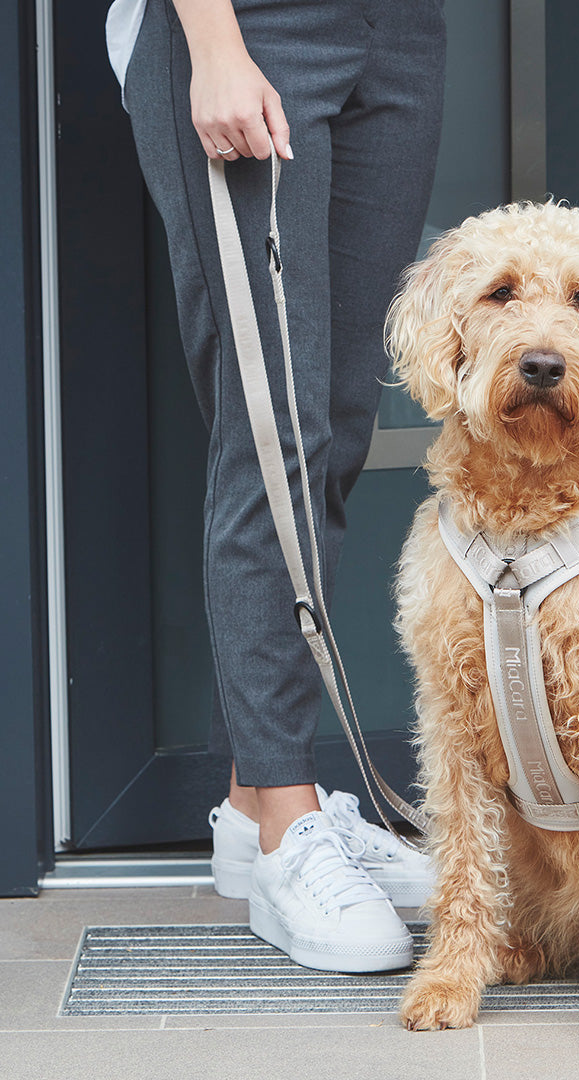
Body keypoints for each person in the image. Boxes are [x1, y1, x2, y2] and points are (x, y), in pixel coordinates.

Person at [105, 0, 446, 972]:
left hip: (402, 31)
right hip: (255, 24)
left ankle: (252, 799)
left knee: (334, 427)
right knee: (272, 430)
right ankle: (286, 828)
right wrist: (213, 45)